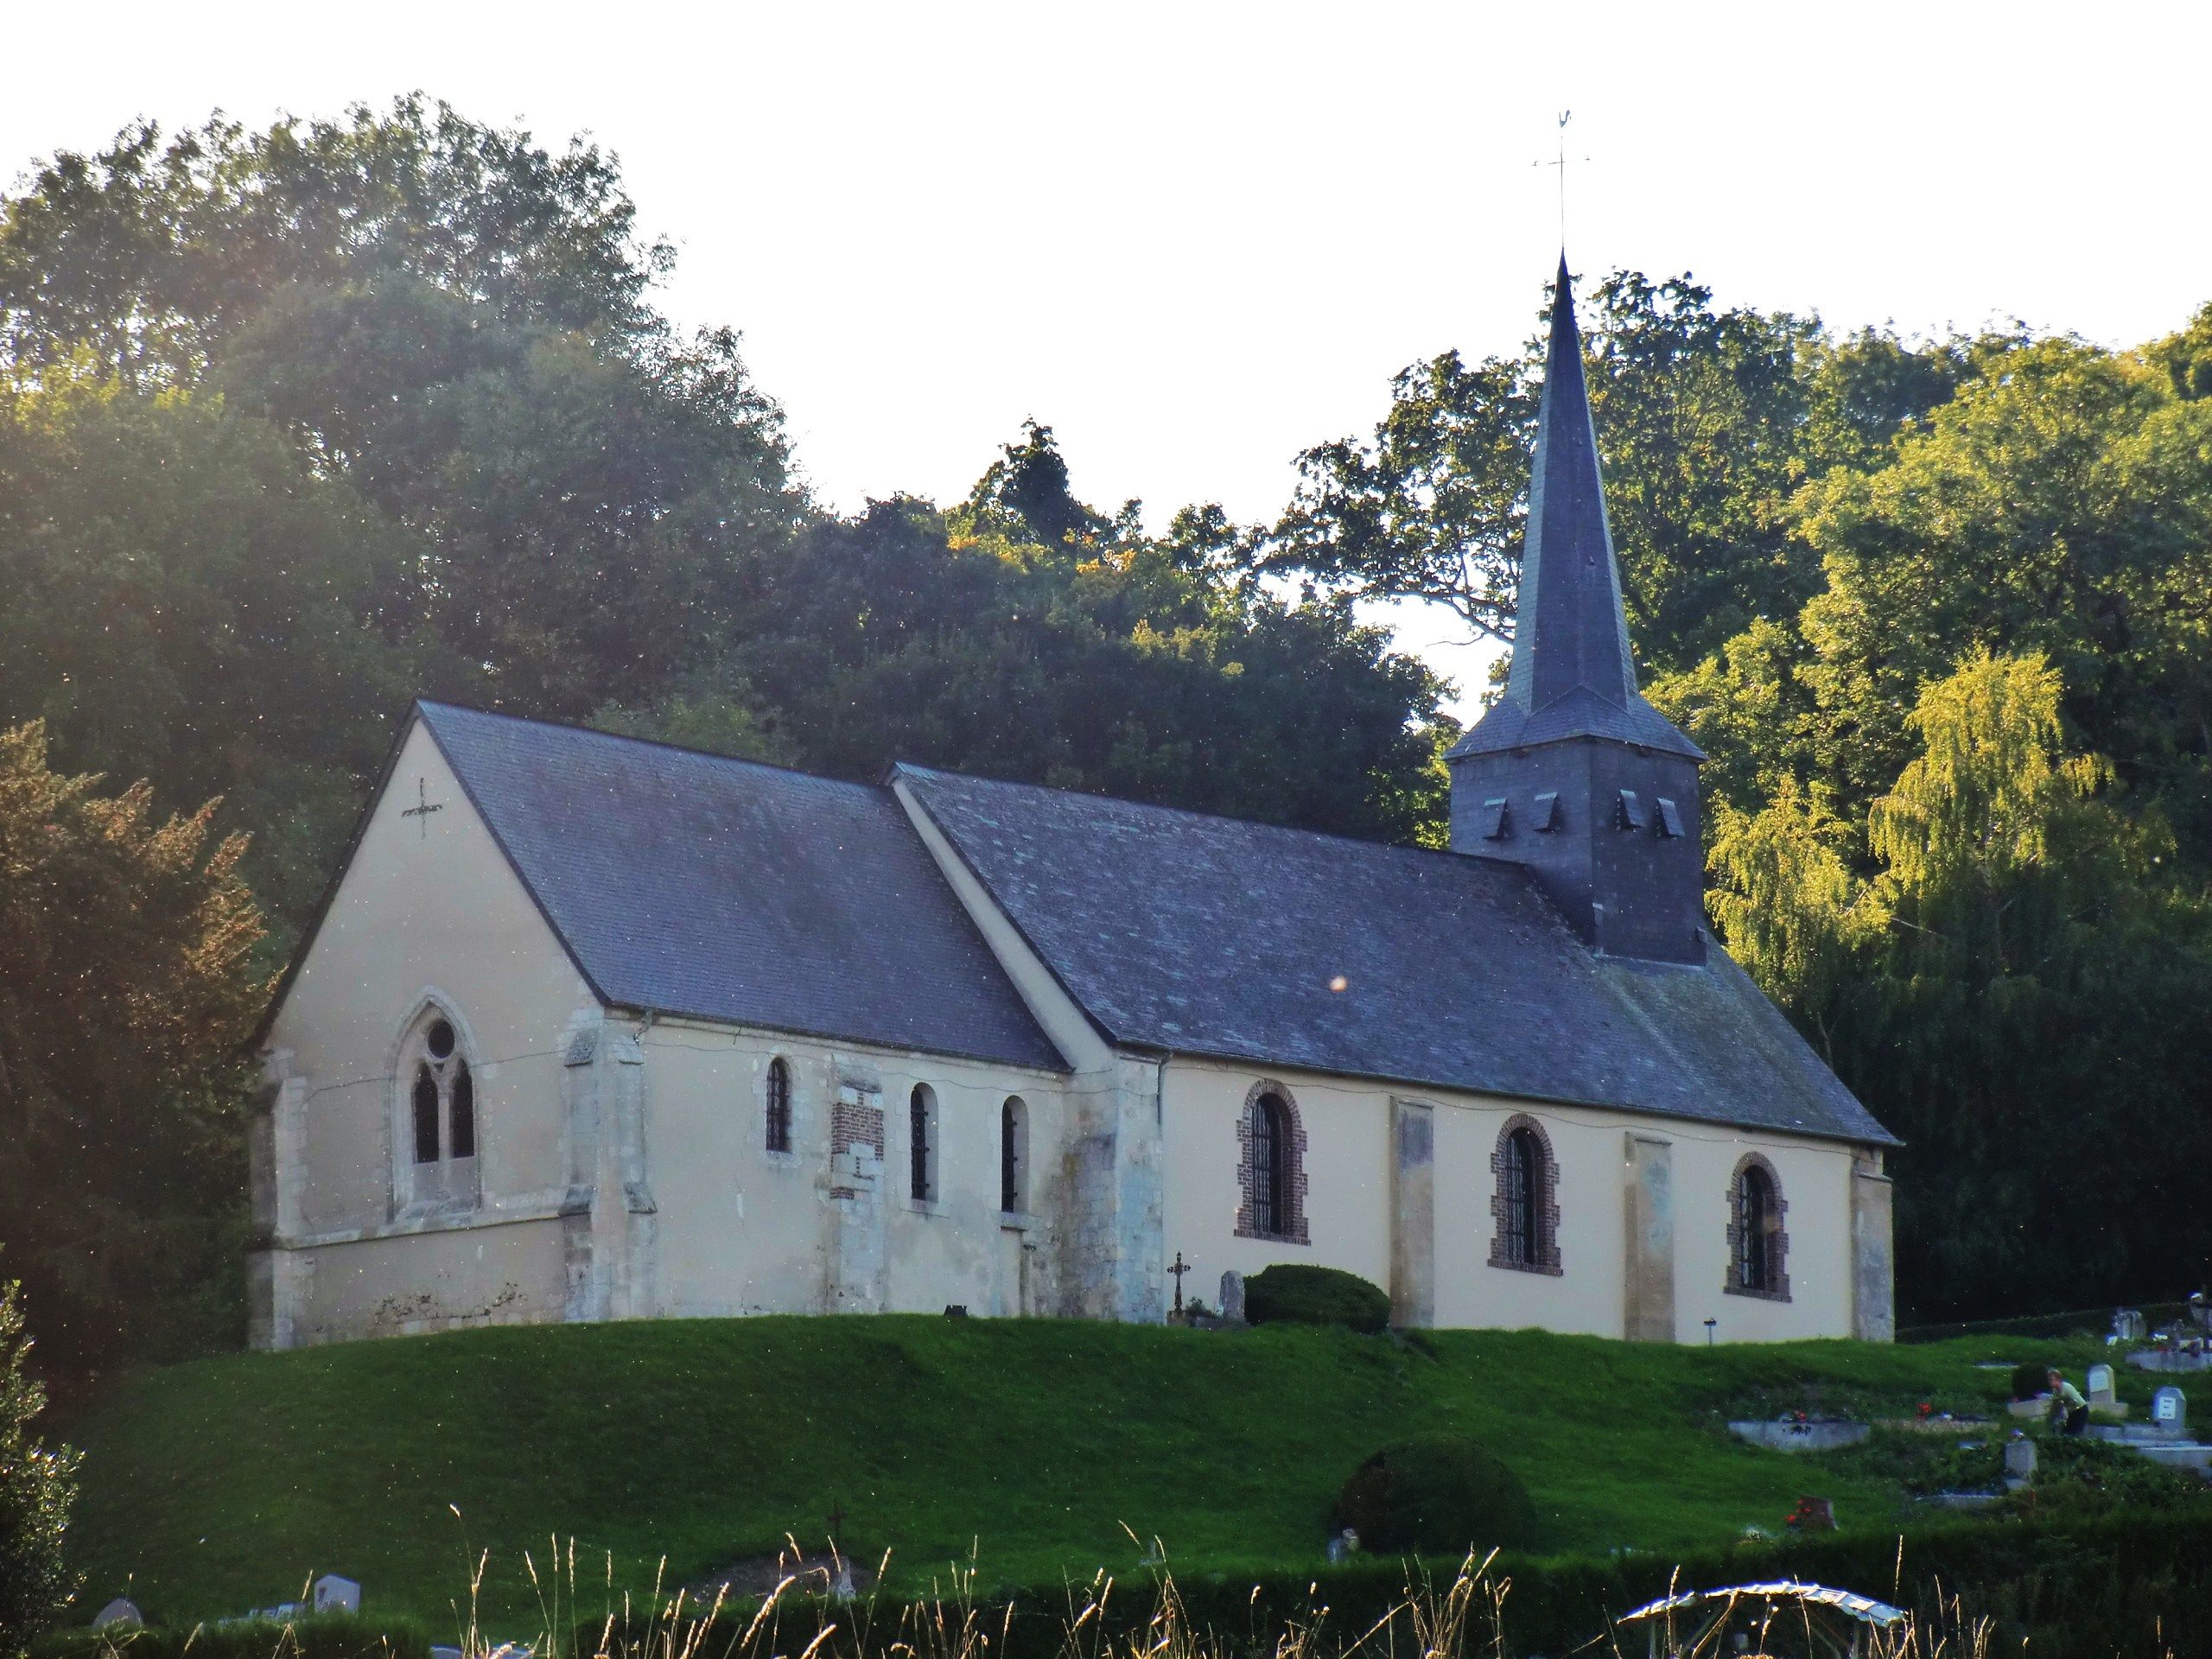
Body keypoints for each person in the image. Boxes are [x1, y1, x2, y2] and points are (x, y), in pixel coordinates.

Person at [2047, 1369, 2089, 1435]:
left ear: (2057, 1380)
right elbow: (2055, 1406)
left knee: (2075, 1432)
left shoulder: (2066, 1387)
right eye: (2049, 1380)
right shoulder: (2056, 1392)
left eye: (2051, 1379)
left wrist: (2066, 1402)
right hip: (2072, 1412)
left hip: (2081, 1410)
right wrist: (2050, 1419)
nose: (2049, 1382)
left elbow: (2075, 1401)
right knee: (2066, 1432)